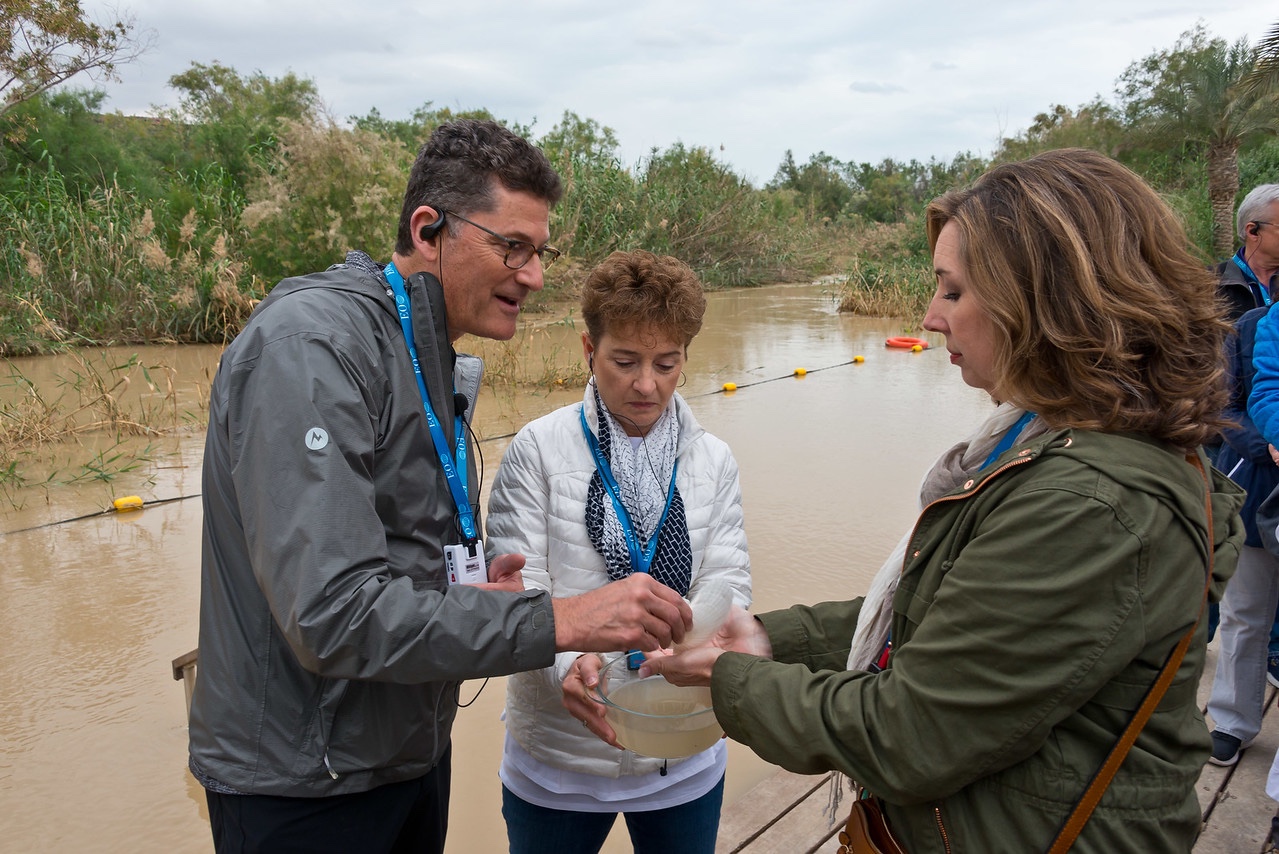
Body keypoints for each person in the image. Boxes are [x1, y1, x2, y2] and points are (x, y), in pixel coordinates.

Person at [642, 148, 1245, 851]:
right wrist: (777, 640)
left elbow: (908, 736)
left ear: (1041, 302)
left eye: (953, 292)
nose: (930, 318)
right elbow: (954, 622)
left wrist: (732, 680)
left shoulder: (1089, 502)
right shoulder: (1059, 444)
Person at [188, 120, 693, 854]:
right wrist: (561, 620)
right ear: (429, 231)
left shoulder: (426, 354)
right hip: (304, 785)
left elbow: (387, 557)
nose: (533, 275)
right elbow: (332, 611)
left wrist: (468, 594)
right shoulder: (313, 349)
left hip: (406, 753)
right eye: (512, 247)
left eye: (540, 252)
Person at [486, 249, 751, 854]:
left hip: (680, 750)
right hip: (559, 760)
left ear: (686, 357)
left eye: (667, 363)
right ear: (589, 349)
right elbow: (519, 594)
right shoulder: (537, 450)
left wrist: (703, 642)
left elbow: (729, 584)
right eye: (625, 361)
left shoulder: (713, 460)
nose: (646, 384)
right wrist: (565, 666)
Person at [1206, 305, 1279, 766]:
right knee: (1244, 612)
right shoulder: (1250, 328)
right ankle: (1232, 721)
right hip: (1255, 490)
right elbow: (1224, 408)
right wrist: (1267, 448)